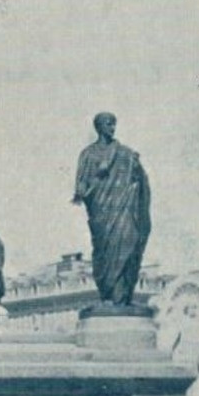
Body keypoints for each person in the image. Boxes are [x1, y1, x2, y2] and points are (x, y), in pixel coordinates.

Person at [72, 112, 152, 306]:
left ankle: (123, 297)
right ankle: (109, 295)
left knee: (129, 242)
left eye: (114, 124)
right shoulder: (88, 154)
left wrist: (137, 171)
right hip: (101, 213)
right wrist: (98, 177)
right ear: (98, 127)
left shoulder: (125, 152)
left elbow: (141, 181)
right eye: (109, 124)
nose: (113, 128)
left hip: (125, 210)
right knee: (105, 252)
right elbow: (81, 189)